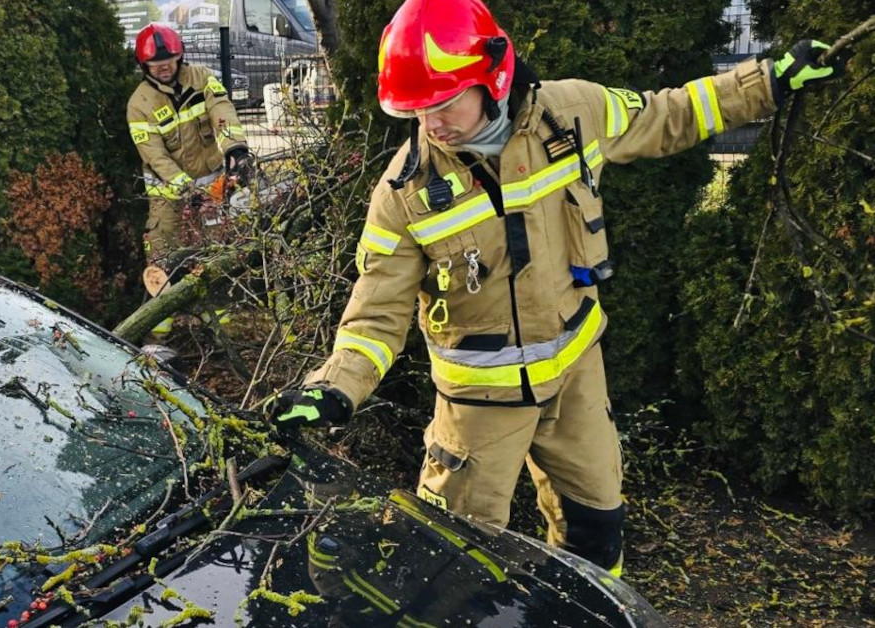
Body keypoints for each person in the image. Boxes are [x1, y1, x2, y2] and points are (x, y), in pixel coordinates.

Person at [265, 0, 841, 577]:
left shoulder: (574, 112)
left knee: (596, 528)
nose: (431, 125)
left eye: (442, 104)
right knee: (447, 559)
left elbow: (672, 113)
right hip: (477, 406)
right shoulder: (403, 192)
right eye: (417, 111)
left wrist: (766, 81)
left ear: (491, 78)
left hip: (575, 377)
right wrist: (335, 386)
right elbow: (375, 315)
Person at [127, 23, 254, 301]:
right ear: (144, 65)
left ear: (179, 56)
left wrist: (236, 150)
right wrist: (187, 190)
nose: (163, 67)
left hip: (210, 182)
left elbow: (222, 112)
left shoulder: (202, 78)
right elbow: (154, 155)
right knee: (161, 254)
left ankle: (218, 316)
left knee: (215, 251)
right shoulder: (139, 103)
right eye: (155, 63)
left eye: (168, 61)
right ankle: (159, 326)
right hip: (166, 192)